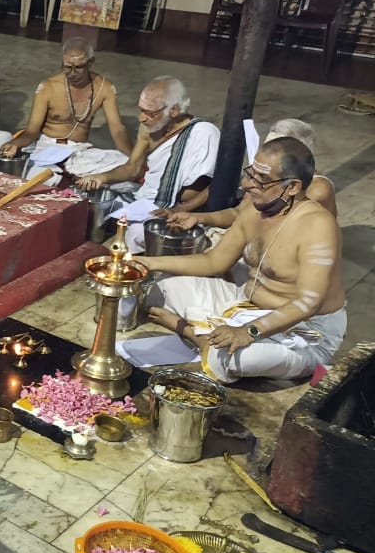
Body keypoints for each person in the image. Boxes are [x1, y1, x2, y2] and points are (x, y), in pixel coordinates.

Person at [137, 138, 346, 383]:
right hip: (243, 305)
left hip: (305, 332)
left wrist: (248, 332)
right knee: (158, 289)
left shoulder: (317, 226)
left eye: (261, 180)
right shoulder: (256, 208)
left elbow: (308, 303)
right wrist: (149, 263)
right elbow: (214, 262)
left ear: (292, 187)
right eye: (250, 173)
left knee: (225, 356)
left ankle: (197, 337)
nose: (248, 185)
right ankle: (206, 339)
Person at [75, 76, 220, 253]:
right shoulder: (148, 129)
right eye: (140, 110)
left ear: (174, 110)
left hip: (182, 208)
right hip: (146, 199)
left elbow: (216, 186)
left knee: (139, 234)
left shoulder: (204, 133)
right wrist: (101, 177)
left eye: (150, 113)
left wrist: (179, 209)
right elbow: (133, 168)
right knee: (91, 203)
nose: (142, 118)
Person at [160, 117, 337, 231]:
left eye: (274, 151)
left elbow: (271, 229)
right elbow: (240, 213)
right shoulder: (266, 175)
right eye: (266, 148)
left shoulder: (317, 189)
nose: (265, 155)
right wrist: (195, 217)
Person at [0, 38, 132, 160]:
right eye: (67, 67)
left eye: (78, 67)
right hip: (47, 146)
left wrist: (132, 161)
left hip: (79, 150)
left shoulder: (104, 87)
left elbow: (118, 130)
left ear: (90, 62)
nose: (72, 73)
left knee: (120, 168)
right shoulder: (47, 87)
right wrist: (16, 144)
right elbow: (31, 132)